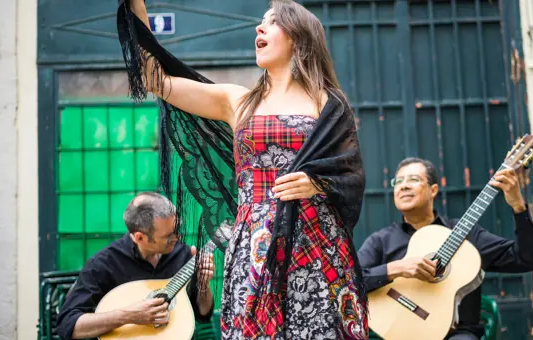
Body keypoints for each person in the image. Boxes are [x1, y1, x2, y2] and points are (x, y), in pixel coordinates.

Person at [116, 0, 368, 339]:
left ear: (298, 36)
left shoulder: (328, 102)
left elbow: (349, 173)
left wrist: (317, 184)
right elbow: (154, 79)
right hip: (255, 243)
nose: (258, 28)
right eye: (259, 22)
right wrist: (136, 5)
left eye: (271, 22)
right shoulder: (236, 101)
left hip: (317, 241)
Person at [357, 157, 533, 340]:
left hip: (456, 334)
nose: (404, 186)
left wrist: (518, 207)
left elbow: (526, 259)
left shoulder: (466, 234)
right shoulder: (381, 241)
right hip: (398, 333)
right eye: (398, 181)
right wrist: (397, 269)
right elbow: (349, 281)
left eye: (413, 179)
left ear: (433, 190)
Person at [56, 192, 215, 340]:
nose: (178, 237)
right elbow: (68, 325)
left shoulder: (183, 254)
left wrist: (203, 284)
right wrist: (129, 315)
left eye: (177, 230)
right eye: (168, 236)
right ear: (140, 237)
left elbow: (203, 314)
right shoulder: (104, 264)